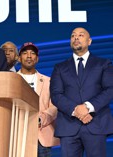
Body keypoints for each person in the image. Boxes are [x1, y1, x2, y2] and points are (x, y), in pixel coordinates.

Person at [50, 27, 113, 157]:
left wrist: (87, 107)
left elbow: (110, 89)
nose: (76, 38)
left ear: (89, 41)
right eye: (73, 36)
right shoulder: (59, 67)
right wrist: (76, 110)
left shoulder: (103, 64)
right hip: (69, 126)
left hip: (96, 124)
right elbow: (56, 95)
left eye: (80, 35)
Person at [17, 42, 59, 157]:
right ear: (19, 58)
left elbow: (55, 106)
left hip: (41, 136)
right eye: (25, 53)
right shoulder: (12, 81)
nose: (29, 56)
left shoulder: (48, 81)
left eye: (32, 53)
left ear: (37, 59)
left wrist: (41, 119)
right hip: (18, 135)